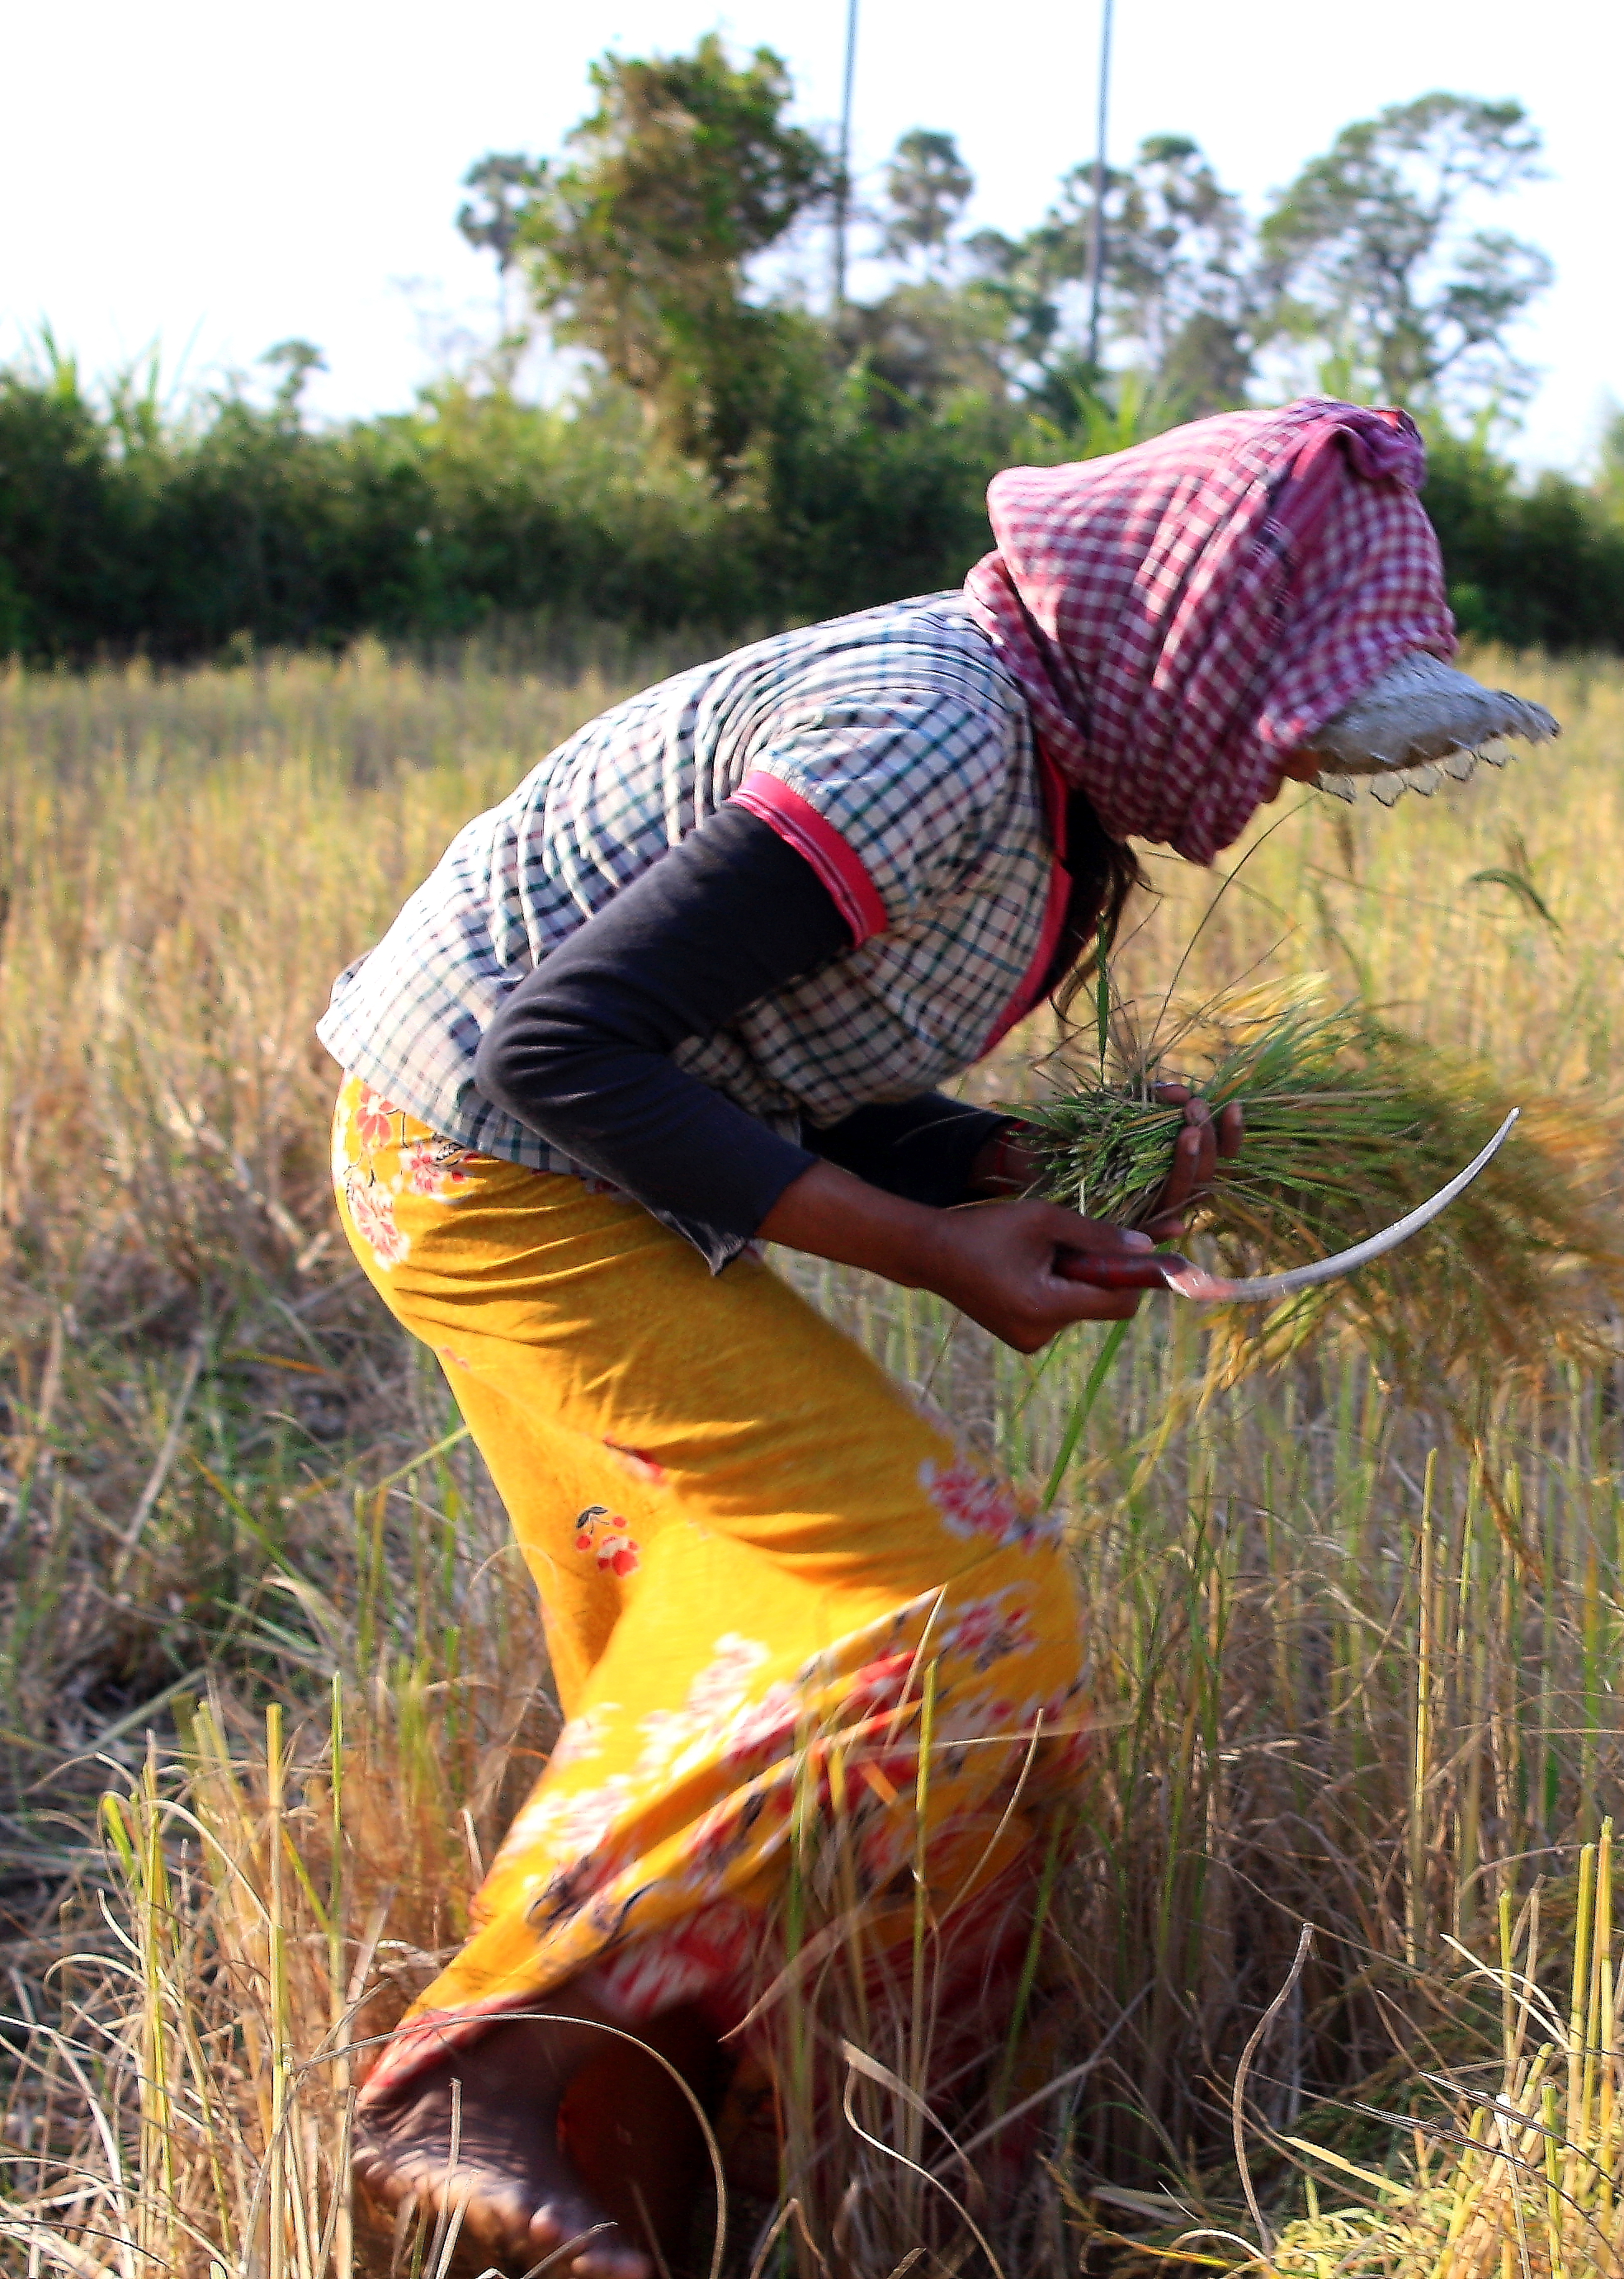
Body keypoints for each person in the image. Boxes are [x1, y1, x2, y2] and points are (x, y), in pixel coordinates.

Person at [316, 399, 1559, 2279]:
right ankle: (472, 2080)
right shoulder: (935, 736)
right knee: (957, 1586)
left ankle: (666, 2166)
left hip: (567, 1150)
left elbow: (787, 1064)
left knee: (708, 1627)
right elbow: (562, 1047)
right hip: (488, 1161)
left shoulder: (1048, 791)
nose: (1281, 782)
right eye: (1284, 733)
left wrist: (1014, 1167)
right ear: (1176, 651)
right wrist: (928, 1248)